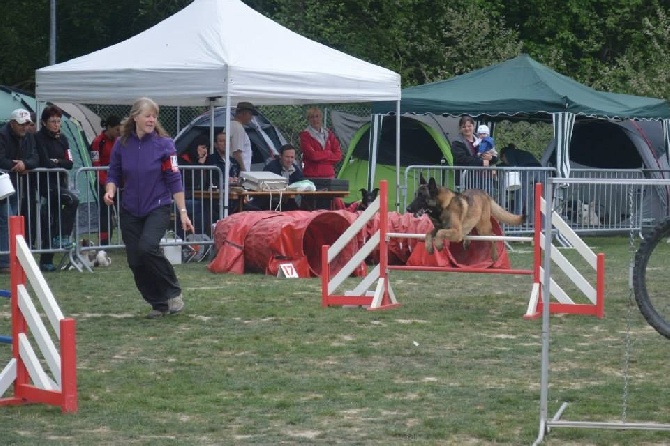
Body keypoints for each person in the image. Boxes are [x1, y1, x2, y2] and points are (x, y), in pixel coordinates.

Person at [104, 97, 193, 319]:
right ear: (135, 117)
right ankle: (158, 302)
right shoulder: (122, 144)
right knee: (135, 259)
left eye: (154, 116)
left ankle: (173, 291)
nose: (152, 119)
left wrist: (182, 212)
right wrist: (110, 190)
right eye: (147, 115)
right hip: (130, 208)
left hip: (158, 206)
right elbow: (113, 172)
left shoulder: (164, 145)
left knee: (147, 248)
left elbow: (174, 178)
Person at [34, 105, 80, 272]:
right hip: (44, 184)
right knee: (70, 200)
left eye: (58, 121)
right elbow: (45, 161)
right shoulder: (38, 138)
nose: (56, 124)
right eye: (52, 121)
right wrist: (55, 162)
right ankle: (58, 240)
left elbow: (70, 163)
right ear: (44, 122)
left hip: (60, 183)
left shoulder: (63, 139)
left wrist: (57, 162)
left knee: (54, 216)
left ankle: (58, 241)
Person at [0, 109, 39, 273]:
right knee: (6, 218)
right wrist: (16, 166)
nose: (25, 127)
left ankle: (10, 257)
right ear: (13, 123)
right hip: (3, 181)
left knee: (11, 219)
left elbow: (35, 157)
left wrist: (25, 164)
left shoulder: (29, 136)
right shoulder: (2, 135)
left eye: (28, 124)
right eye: (22, 124)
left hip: (15, 183)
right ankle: (4, 260)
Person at [90, 115, 121, 245]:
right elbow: (96, 165)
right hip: (103, 181)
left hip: (119, 182)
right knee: (105, 213)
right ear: (108, 127)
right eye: (116, 129)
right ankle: (104, 241)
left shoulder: (119, 141)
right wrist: (104, 183)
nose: (118, 132)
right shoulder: (97, 142)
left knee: (124, 210)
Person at [249, 144, 304, 211]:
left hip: (285, 201)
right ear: (280, 156)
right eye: (287, 157)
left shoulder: (294, 168)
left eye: (292, 157)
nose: (290, 160)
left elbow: (301, 182)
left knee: (299, 212)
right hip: (268, 201)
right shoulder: (271, 167)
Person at [450, 116, 497, 191]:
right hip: (466, 180)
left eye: (469, 126)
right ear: (460, 128)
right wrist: (482, 162)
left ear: (473, 126)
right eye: (464, 127)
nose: (467, 128)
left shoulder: (483, 139)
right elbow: (462, 159)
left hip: (485, 178)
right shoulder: (457, 143)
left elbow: (495, 156)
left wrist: (491, 158)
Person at [499, 143, 542, 218]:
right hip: (540, 170)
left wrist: (498, 168)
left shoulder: (508, 153)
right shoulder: (520, 153)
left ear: (503, 155)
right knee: (538, 197)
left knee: (520, 194)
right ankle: (535, 219)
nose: (505, 162)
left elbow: (513, 166)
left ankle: (516, 217)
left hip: (527, 171)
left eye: (503, 160)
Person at [299, 107, 342, 178]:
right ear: (308, 119)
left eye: (317, 116)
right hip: (312, 175)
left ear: (321, 117)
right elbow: (312, 156)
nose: (315, 119)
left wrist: (320, 157)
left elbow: (338, 156)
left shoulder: (329, 134)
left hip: (329, 175)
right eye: (312, 117)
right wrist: (328, 153)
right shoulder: (305, 135)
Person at [229, 102, 256, 172]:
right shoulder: (238, 128)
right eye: (250, 114)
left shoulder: (230, 124)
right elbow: (237, 152)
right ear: (243, 113)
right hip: (239, 171)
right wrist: (244, 170)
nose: (252, 117)